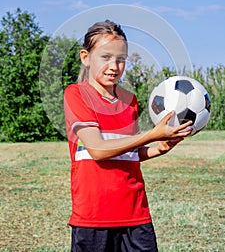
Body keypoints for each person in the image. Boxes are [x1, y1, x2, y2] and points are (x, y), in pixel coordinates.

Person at [64, 20, 193, 252]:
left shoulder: (129, 101)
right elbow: (98, 150)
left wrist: (158, 148)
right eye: (105, 57)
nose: (114, 65)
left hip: (135, 213)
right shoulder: (76, 95)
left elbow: (128, 154)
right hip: (94, 217)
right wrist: (152, 135)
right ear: (86, 57)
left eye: (121, 59)